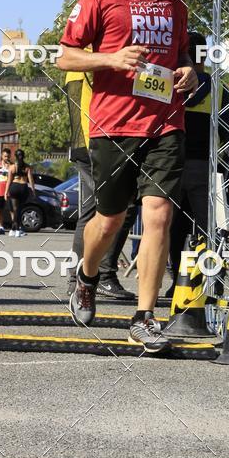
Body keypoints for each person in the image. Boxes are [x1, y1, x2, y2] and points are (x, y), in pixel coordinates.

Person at [57, 0, 198, 352]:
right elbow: (65, 58)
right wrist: (112, 59)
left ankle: (144, 317)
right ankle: (87, 275)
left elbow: (184, 58)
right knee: (111, 218)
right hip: (113, 125)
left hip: (165, 123)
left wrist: (191, 72)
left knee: (158, 215)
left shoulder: (175, 2)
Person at [167, 31, 229, 295]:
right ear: (205, 56)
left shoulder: (171, 85)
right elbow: (228, 134)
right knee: (210, 228)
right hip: (206, 166)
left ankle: (178, 283)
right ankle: (212, 281)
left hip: (172, 164)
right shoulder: (220, 89)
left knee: (174, 229)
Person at [64, 69, 137, 300]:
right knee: (122, 208)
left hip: (83, 145)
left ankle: (76, 279)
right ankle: (103, 275)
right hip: (97, 144)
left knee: (88, 214)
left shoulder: (77, 65)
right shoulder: (91, 58)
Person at [4, 148, 35, 238]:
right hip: (23, 188)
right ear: (23, 156)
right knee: (19, 210)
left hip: (14, 187)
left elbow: (9, 181)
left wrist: (6, 192)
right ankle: (17, 230)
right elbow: (31, 180)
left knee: (15, 210)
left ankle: (13, 229)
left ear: (15, 156)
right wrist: (33, 190)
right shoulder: (27, 167)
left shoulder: (12, 167)